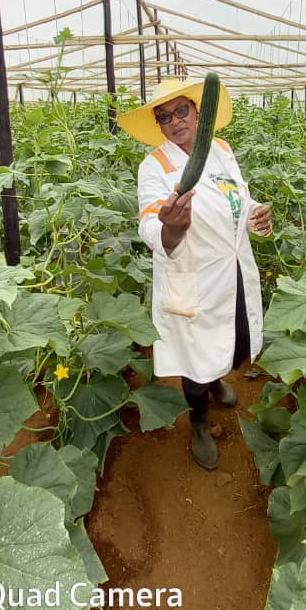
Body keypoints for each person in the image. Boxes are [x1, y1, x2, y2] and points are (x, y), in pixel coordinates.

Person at [117, 78, 272, 469]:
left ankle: (218, 379)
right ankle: (200, 422)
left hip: (233, 270)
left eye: (181, 110)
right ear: (159, 125)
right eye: (164, 116)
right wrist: (171, 227)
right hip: (193, 277)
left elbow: (239, 198)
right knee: (195, 354)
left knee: (231, 337)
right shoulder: (155, 165)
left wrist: (257, 216)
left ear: (197, 113)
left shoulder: (220, 148)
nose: (174, 121)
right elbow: (150, 224)